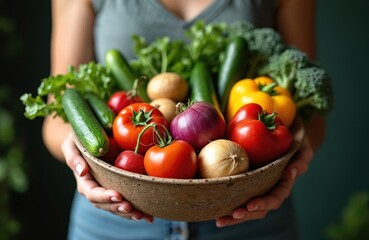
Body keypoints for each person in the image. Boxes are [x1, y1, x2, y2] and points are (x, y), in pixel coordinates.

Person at [43, 0, 325, 239]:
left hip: (252, 219)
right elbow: (57, 119)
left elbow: (310, 109)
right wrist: (77, 154)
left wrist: (293, 162)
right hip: (113, 223)